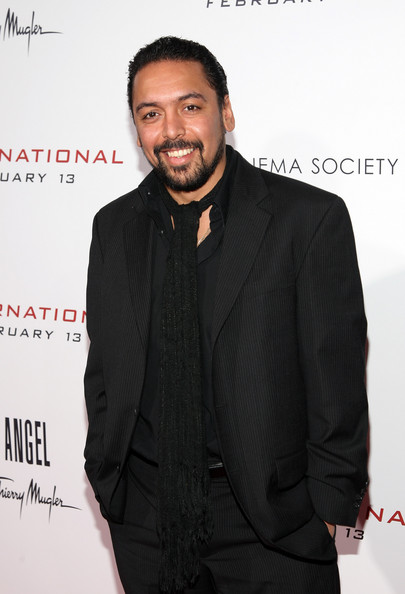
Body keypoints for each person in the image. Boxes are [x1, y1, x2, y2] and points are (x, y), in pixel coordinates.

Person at [84, 36, 368, 594]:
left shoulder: (307, 219)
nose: (172, 131)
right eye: (150, 114)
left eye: (190, 106)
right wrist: (105, 471)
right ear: (136, 128)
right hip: (145, 517)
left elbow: (336, 381)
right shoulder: (113, 227)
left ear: (226, 112)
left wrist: (327, 510)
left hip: (271, 522)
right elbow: (106, 364)